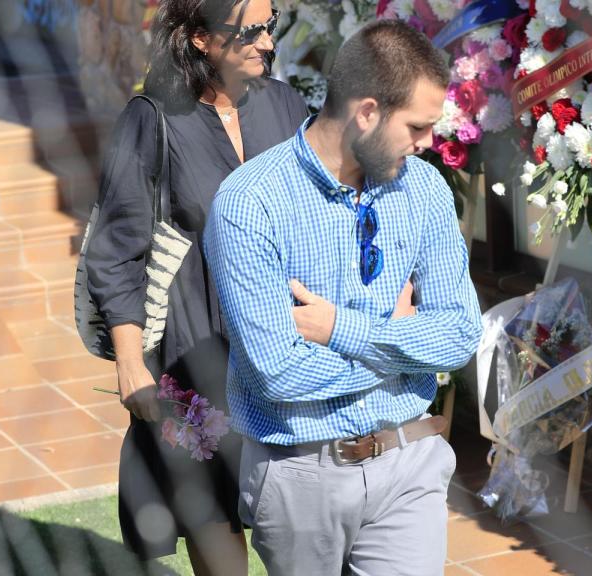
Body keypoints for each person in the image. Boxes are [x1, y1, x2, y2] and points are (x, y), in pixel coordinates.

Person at [203, 19, 482, 575]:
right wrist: (403, 346)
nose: (430, 143)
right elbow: (278, 374)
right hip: (300, 475)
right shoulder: (249, 204)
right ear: (368, 111)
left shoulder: (424, 188)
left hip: (409, 463)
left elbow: (460, 334)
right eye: (418, 126)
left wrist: (341, 330)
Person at [84, 0, 308, 573]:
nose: (267, 42)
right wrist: (130, 362)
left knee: (299, 525)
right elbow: (116, 251)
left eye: (271, 24)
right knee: (215, 527)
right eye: (250, 30)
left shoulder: (286, 106)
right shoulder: (154, 116)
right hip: (192, 348)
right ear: (203, 39)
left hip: (280, 348)